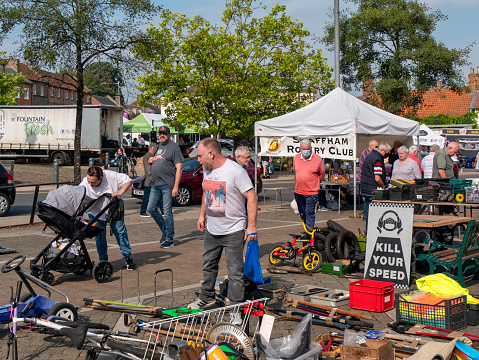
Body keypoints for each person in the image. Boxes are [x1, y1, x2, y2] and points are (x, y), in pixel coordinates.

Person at [188, 138, 258, 324]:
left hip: (233, 229)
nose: (198, 159)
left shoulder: (235, 171)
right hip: (213, 228)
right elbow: (205, 191)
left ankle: (235, 308)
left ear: (211, 154)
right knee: (208, 264)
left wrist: (251, 227)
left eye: (200, 155)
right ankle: (206, 297)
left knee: (235, 272)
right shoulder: (207, 169)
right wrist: (202, 215)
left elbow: (252, 196)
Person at [80, 166, 136, 269]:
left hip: (113, 208)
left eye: (93, 182)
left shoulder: (110, 176)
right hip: (95, 211)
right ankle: (103, 261)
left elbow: (128, 180)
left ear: (101, 178)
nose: (90, 184)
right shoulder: (85, 183)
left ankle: (128, 257)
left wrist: (121, 191)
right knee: (99, 236)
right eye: (89, 181)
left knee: (120, 232)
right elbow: (78, 196)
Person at [147, 126, 184, 248]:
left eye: (164, 133)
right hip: (155, 184)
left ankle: (169, 238)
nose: (162, 135)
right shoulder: (157, 146)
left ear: (169, 135)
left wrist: (176, 186)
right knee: (151, 208)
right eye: (160, 133)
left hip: (168, 185)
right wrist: (151, 160)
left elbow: (179, 168)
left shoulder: (174, 147)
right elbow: (151, 160)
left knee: (167, 211)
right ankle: (165, 230)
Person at [293, 139, 325, 232]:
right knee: (302, 212)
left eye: (307, 149)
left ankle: (309, 233)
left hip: (312, 192)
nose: (305, 151)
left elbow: (322, 173)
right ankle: (306, 229)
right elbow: (296, 171)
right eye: (303, 149)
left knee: (309, 212)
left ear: (311, 148)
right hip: (299, 191)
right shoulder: (296, 158)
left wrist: (315, 183)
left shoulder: (317, 159)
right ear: (300, 149)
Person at [360, 142, 391, 229]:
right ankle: (372, 232)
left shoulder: (370, 156)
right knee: (374, 214)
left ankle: (367, 231)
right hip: (373, 190)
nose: (387, 155)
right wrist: (383, 185)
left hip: (365, 188)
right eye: (386, 152)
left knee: (367, 213)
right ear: (382, 150)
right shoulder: (378, 159)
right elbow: (377, 178)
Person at [139, 144, 155, 217]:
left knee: (159, 196)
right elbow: (148, 170)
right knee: (146, 197)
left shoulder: (153, 156)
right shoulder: (146, 156)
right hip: (149, 180)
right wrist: (152, 177)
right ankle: (142, 211)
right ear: (151, 148)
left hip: (153, 179)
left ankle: (164, 211)